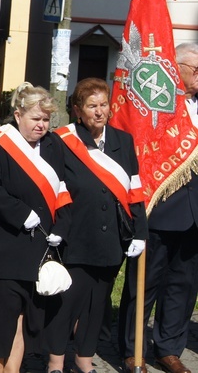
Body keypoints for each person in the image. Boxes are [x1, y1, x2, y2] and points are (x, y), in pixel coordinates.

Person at [45, 78, 147, 373]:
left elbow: (135, 188)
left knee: (97, 304)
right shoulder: (62, 141)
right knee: (67, 302)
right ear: (78, 110)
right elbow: (56, 187)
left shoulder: (122, 141)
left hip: (111, 238)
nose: (99, 112)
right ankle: (55, 361)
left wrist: (140, 232)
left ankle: (85, 359)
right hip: (75, 235)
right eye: (92, 106)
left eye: (104, 105)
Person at [0, 82, 70, 373]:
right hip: (5, 245)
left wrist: (61, 227)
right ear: (17, 116)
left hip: (40, 247)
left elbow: (63, 188)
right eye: (35, 119)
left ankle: (13, 369)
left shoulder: (53, 145)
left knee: (27, 315)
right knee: (3, 314)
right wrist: (20, 213)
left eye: (45, 120)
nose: (41, 125)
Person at [118, 41, 198, 373]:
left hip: (195, 213)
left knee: (184, 285)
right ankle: (132, 348)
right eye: (196, 69)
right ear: (176, 68)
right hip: (159, 208)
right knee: (144, 284)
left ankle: (169, 348)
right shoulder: (160, 104)